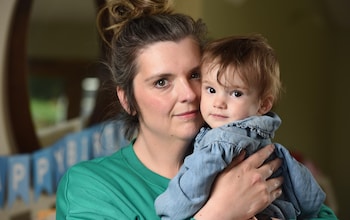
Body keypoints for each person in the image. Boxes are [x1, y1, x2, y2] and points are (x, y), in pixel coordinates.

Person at [55, 0, 337, 219]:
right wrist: (216, 215)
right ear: (127, 100)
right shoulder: (91, 185)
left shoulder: (249, 157)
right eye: (162, 82)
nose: (189, 94)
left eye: (195, 75)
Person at [154, 34, 329, 220]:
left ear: (263, 105)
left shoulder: (220, 143)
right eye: (211, 90)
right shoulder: (263, 141)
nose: (219, 103)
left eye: (236, 93)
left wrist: (166, 210)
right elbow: (310, 199)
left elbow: (184, 198)